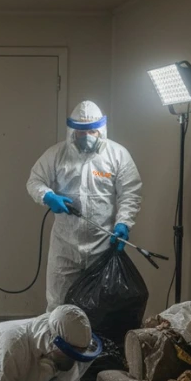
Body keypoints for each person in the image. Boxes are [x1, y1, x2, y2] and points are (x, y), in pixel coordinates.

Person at [26, 100, 142, 311]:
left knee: (101, 307)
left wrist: (124, 223)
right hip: (65, 246)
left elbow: (130, 192)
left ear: (100, 130)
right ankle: (58, 344)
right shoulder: (56, 154)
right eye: (81, 132)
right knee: (58, 305)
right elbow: (35, 181)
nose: (87, 136)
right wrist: (48, 196)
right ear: (73, 131)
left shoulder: (117, 155)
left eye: (92, 131)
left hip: (102, 246)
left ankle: (96, 345)